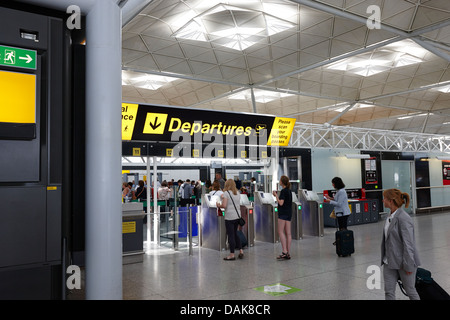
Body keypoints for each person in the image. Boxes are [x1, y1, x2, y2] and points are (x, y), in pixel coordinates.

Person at [381, 189, 420, 300]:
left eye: (385, 198)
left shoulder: (403, 218)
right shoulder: (389, 216)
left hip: (404, 262)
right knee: (389, 292)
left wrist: (408, 265)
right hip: (389, 261)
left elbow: (409, 244)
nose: (383, 200)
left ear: (391, 201)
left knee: (410, 291)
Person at [217, 179, 244, 261]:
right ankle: (241, 250)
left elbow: (224, 205)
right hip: (237, 216)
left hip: (229, 217)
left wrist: (218, 205)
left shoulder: (226, 193)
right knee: (235, 234)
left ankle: (232, 254)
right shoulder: (237, 193)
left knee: (231, 235)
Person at [272, 175, 292, 260]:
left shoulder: (283, 191)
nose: (279, 181)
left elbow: (281, 203)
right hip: (289, 213)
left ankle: (284, 251)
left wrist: (275, 195)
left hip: (283, 213)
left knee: (280, 231)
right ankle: (288, 252)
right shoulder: (289, 191)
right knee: (288, 233)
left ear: (282, 182)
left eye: (280, 180)